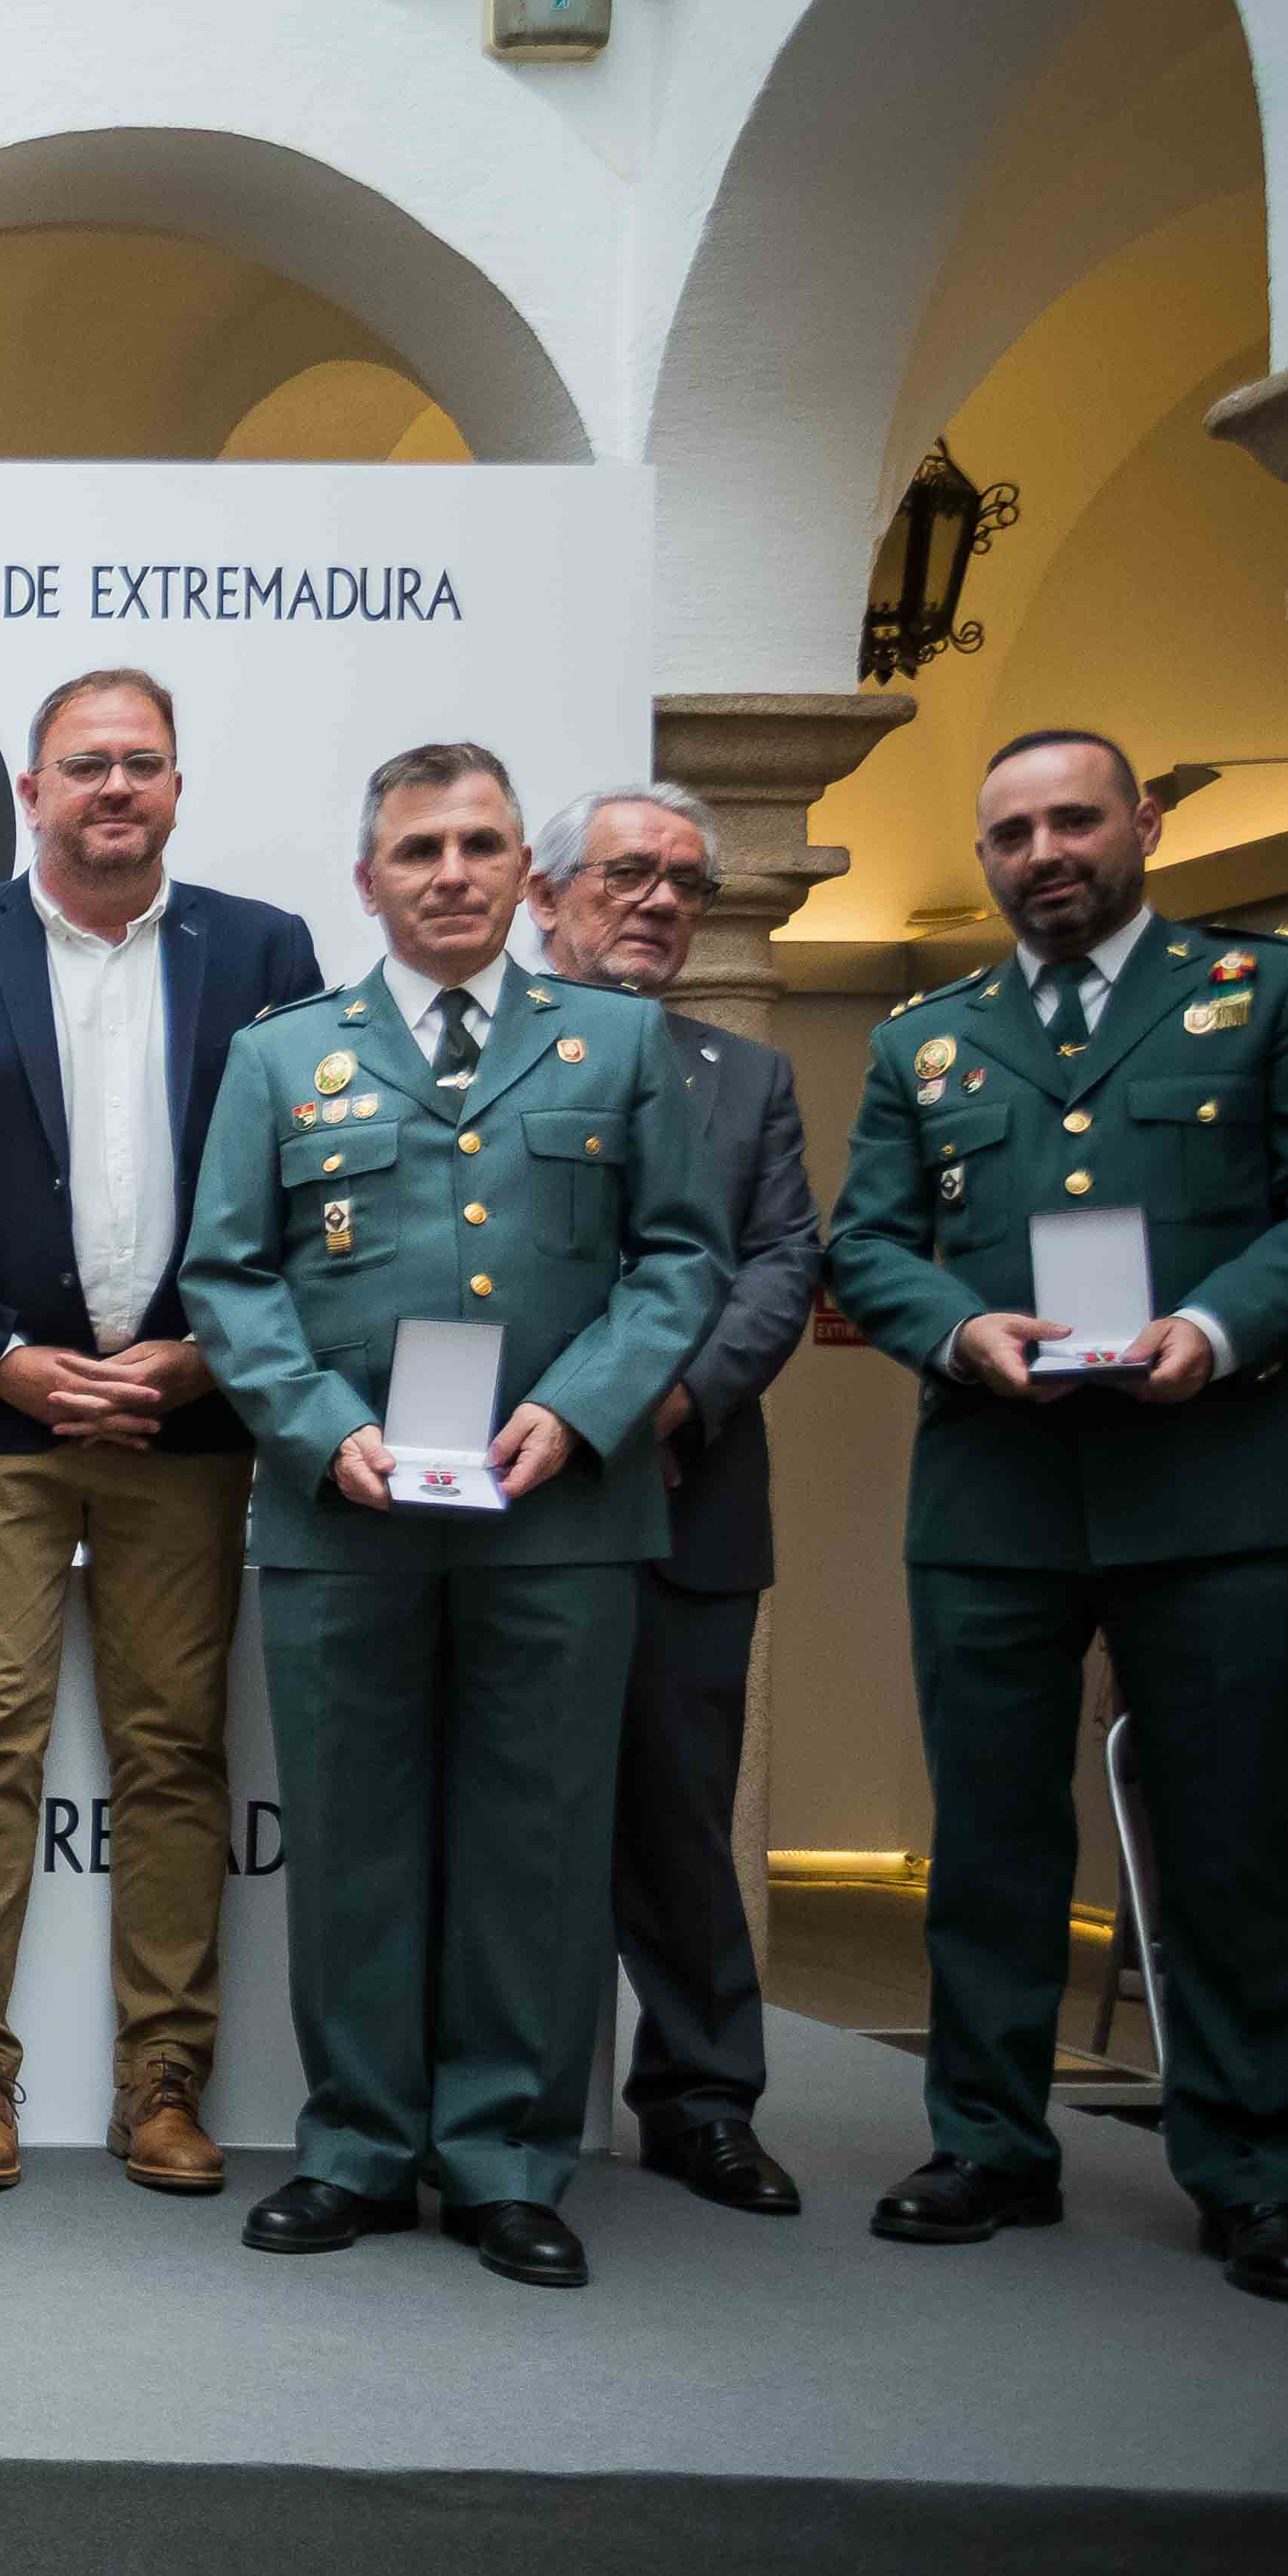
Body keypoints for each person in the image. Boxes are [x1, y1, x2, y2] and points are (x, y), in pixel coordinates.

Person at [823, 729, 1288, 2308]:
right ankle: (988, 2142)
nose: (1044, 853)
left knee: (1226, 1839)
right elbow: (870, 1242)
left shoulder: (1270, 989)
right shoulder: (926, 1042)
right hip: (997, 1486)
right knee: (992, 1843)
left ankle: (1254, 2173)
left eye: (1073, 819)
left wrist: (1215, 1327)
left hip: (1209, 1475)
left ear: (1142, 822)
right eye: (1011, 832)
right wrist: (960, 1328)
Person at [179, 742, 724, 2291]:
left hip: (559, 1512)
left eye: (481, 843)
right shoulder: (286, 1055)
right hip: (343, 1513)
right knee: (352, 1839)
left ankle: (503, 2156)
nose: (451, 872)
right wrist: (324, 1428)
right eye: (418, 848)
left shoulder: (619, 1044)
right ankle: (353, 2144)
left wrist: (589, 1403)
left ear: (525, 877)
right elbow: (230, 1273)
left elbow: (681, 1257)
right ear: (367, 879)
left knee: (535, 1844)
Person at [0, 665, 321, 2200]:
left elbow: (301, 1184)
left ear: (178, 785)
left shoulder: (265, 951)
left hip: (186, 1425)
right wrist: (2, 1350)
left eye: (142, 763)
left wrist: (207, 1357)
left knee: (174, 1748)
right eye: (84, 764)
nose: (114, 787)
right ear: (33, 790)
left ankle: (164, 2085)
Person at [526, 783, 820, 2217]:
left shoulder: (745, 1079)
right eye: (623, 873)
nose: (654, 903)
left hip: (683, 1493)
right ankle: (503, 2109)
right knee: (514, 1821)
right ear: (548, 894)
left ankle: (702, 2102)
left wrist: (667, 1396)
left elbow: (778, 1269)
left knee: (679, 1824)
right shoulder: (479, 1053)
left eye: (684, 885)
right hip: (499, 1509)